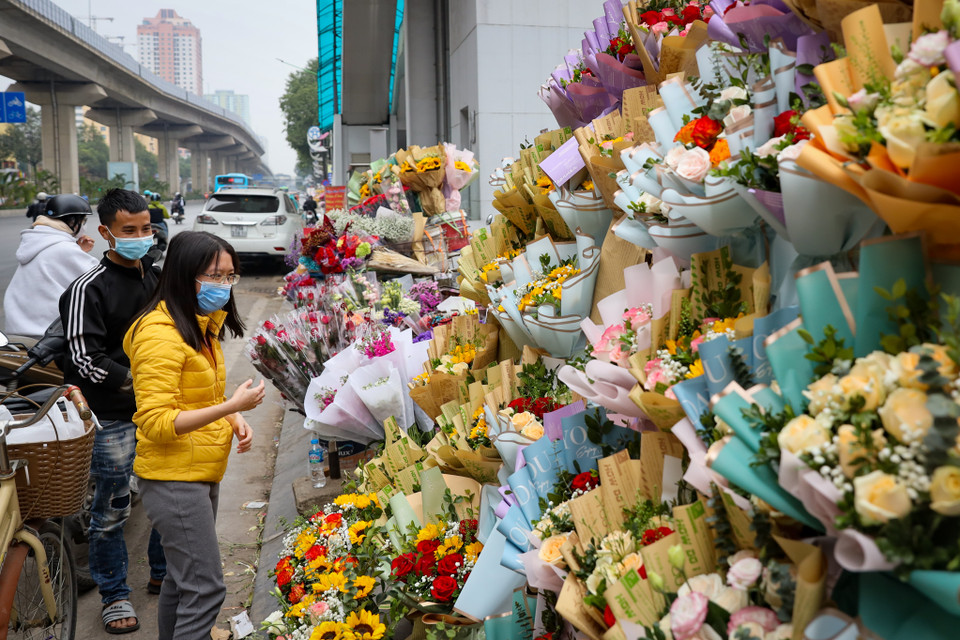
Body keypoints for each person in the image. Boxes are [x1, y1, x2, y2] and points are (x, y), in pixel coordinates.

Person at [124, 231, 264, 640]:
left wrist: (230, 419)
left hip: (197, 469)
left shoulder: (198, 325)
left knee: (182, 582)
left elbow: (197, 396)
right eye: (215, 276)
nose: (223, 286)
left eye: (230, 276)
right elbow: (156, 421)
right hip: (173, 478)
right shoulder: (159, 334)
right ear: (185, 275)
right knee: (206, 589)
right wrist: (230, 408)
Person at [59, 188, 168, 634]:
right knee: (112, 509)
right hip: (113, 418)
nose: (141, 236)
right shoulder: (87, 289)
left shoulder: (158, 279)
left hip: (159, 411)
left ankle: (163, 572)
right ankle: (115, 595)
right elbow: (84, 360)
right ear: (106, 233)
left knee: (167, 494)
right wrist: (145, 381)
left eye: (146, 228)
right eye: (130, 230)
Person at [4, 194, 98, 338]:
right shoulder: (64, 249)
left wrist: (78, 251)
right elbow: (101, 280)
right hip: (48, 337)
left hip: (17, 330)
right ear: (72, 221)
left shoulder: (35, 243)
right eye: (83, 221)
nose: (84, 226)